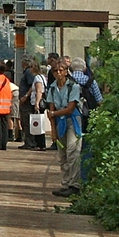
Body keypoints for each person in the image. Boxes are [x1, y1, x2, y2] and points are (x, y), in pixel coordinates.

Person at [45, 62, 83, 197]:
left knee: (73, 151)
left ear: (66, 71)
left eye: (61, 70)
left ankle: (75, 185)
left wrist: (54, 114)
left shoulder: (73, 87)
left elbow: (70, 108)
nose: (58, 73)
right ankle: (66, 183)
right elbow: (51, 109)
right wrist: (53, 131)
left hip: (72, 120)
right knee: (62, 155)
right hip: (59, 121)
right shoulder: (52, 89)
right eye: (55, 71)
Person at [68, 57, 103, 132]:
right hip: (89, 114)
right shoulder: (91, 81)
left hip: (71, 113)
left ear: (71, 68)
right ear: (84, 68)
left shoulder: (68, 81)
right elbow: (99, 100)